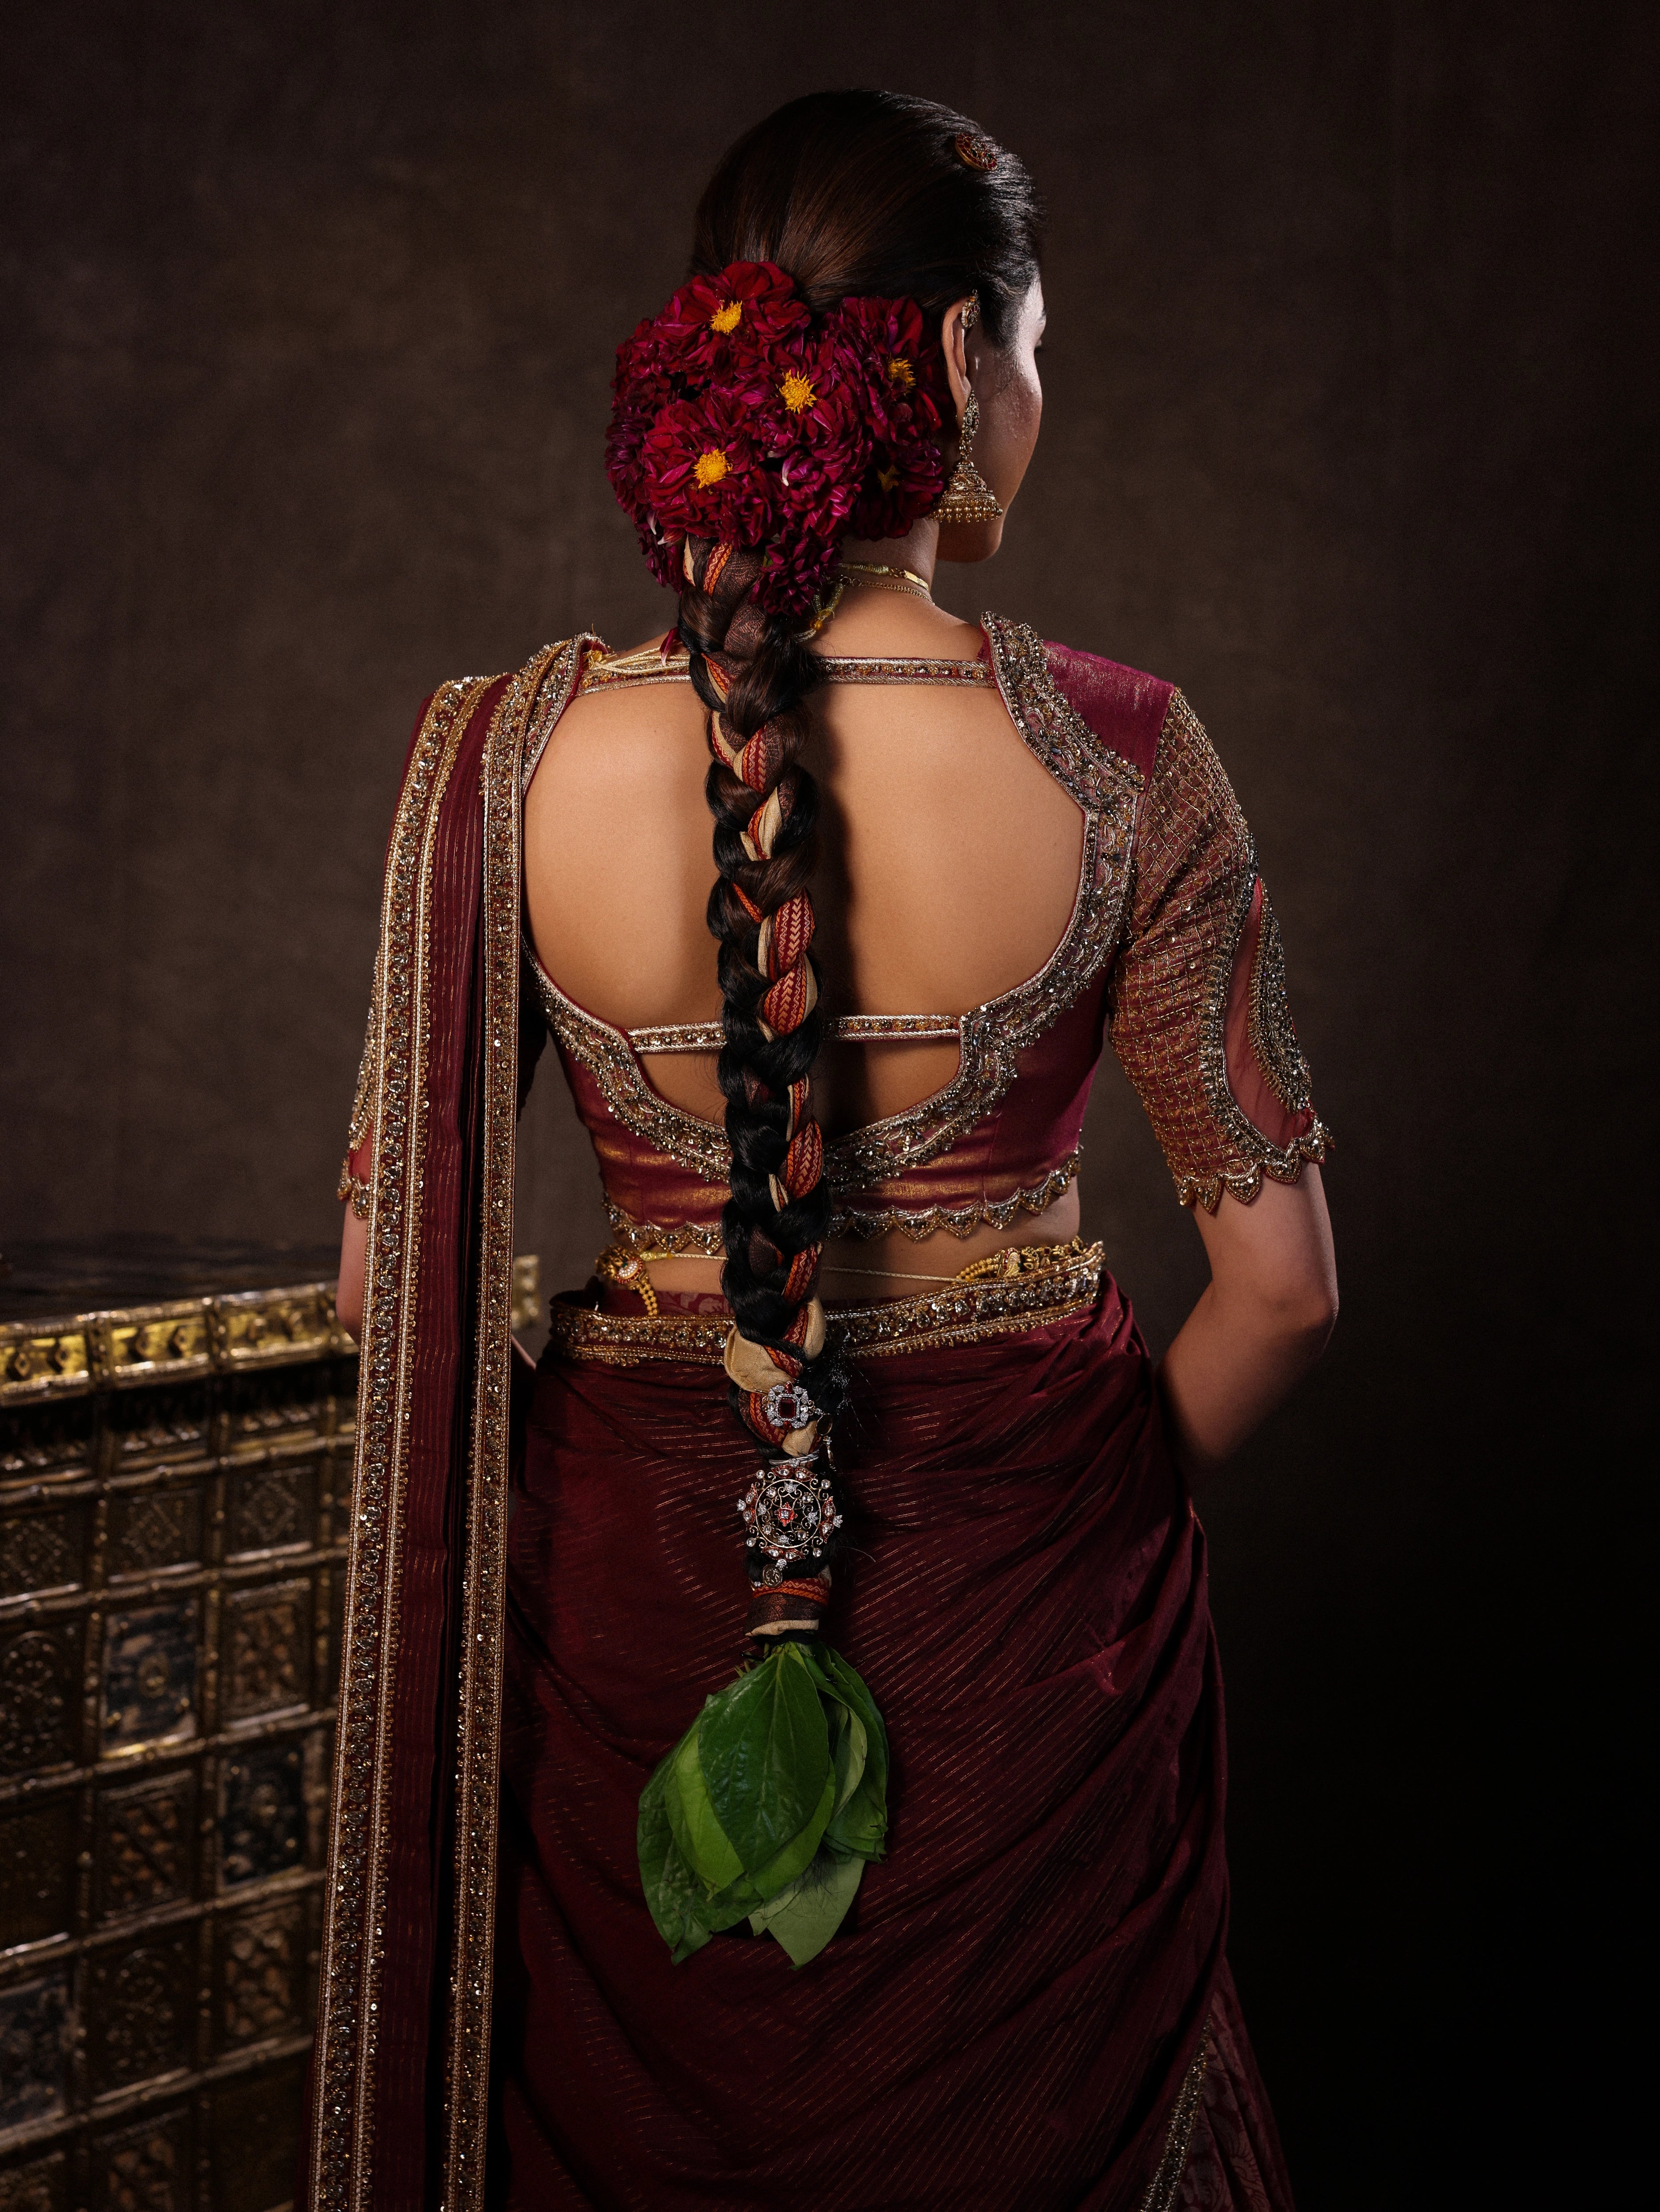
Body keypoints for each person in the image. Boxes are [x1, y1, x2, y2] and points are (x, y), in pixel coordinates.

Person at [313, 89, 1336, 2212]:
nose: (1039, 393)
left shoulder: (509, 763)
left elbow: (373, 1306)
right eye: (1036, 347)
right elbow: (1287, 1287)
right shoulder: (1128, 753)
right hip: (1028, 1600)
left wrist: (625, 1482)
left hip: (630, 1588)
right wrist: (1060, 1509)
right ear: (961, 358)